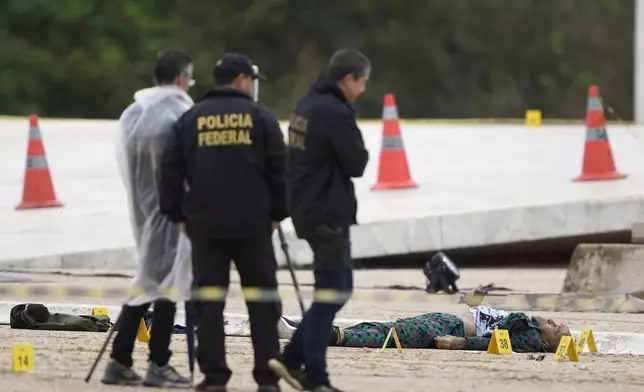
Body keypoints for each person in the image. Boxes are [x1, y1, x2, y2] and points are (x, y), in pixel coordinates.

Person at [158, 53, 287, 392]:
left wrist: (177, 215)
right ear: (243, 79)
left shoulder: (191, 119)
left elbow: (169, 171)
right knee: (262, 303)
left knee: (209, 304)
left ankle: (214, 377)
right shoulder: (261, 117)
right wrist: (277, 214)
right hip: (253, 226)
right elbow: (281, 171)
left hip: (205, 227)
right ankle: (268, 377)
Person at [268, 48, 371, 392]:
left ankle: (292, 359)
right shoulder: (334, 112)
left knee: (332, 292)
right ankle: (314, 376)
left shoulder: (306, 104)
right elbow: (357, 162)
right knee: (334, 293)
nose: (364, 89)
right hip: (327, 212)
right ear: (348, 79)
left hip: (307, 209)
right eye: (363, 81)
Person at [101, 48, 195, 388]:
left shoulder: (134, 112)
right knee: (166, 285)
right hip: (171, 213)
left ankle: (122, 359)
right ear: (181, 77)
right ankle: (157, 362)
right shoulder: (178, 112)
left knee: (147, 283)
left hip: (142, 211)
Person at [279, 306, 571, 353]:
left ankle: (317, 335)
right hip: (446, 320)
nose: (553, 323)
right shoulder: (531, 329)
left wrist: (459, 343)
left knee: (388, 336)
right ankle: (304, 328)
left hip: (452, 328)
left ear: (546, 343)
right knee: (387, 329)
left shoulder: (529, 337)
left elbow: (493, 343)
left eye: (557, 329)